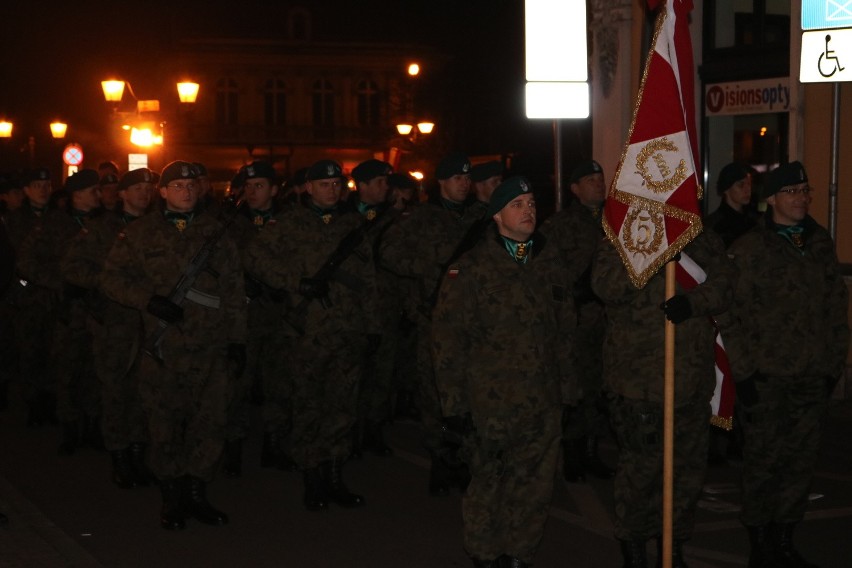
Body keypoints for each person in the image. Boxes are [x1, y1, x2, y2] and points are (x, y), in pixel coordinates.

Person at [432, 176, 576, 568]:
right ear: (496, 216)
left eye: (531, 202)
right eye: (517, 204)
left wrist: (569, 391)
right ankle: (484, 555)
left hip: (542, 401)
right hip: (490, 402)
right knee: (488, 485)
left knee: (534, 487)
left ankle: (519, 555)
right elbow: (447, 342)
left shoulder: (548, 262)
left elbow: (564, 331)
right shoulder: (471, 269)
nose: (528, 210)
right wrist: (455, 407)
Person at [101, 161, 247, 530]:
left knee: (209, 421)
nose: (185, 191)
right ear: (162, 192)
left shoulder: (217, 233)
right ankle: (172, 497)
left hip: (210, 348)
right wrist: (148, 300)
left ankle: (197, 492)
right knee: (163, 424)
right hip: (162, 348)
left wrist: (237, 340)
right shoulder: (139, 234)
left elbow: (233, 290)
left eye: (190, 185)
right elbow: (111, 279)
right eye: (176, 186)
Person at [725, 161, 849, 568]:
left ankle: (784, 540)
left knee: (800, 465)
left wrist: (834, 365)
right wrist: (744, 373)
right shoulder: (750, 248)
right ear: (772, 199)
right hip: (767, 378)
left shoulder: (818, 242)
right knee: (762, 465)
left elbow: (835, 308)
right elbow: (732, 315)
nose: (802, 199)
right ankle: (760, 544)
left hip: (811, 377)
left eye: (805, 191)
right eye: (792, 192)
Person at [592, 228, 736, 567]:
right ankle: (635, 549)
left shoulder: (700, 237)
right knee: (641, 474)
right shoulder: (620, 238)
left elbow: (728, 283)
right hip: (639, 383)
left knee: (686, 475)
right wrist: (651, 254)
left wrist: (693, 301)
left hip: (691, 382)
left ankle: (673, 550)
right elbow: (607, 287)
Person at [244, 159, 379, 511]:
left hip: (347, 330)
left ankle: (335, 474)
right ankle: (312, 476)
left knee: (343, 406)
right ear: (308, 188)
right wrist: (294, 282)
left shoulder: (353, 225)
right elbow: (255, 257)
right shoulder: (288, 223)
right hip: (306, 332)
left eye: (337, 184)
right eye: (324, 184)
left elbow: (368, 281)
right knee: (307, 405)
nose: (332, 189)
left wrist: (372, 325)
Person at [380, 151, 485, 496]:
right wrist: (427, 266)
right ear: (442, 181)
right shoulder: (421, 218)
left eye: (467, 179)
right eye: (457, 178)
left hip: (472, 319)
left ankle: (465, 457)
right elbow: (389, 253)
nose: (464, 184)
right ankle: (440, 457)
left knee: (471, 388)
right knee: (434, 391)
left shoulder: (480, 217)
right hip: (433, 318)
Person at [61, 168, 156, 487]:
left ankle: (139, 455)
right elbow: (73, 268)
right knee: (116, 391)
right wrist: (105, 284)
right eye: (137, 188)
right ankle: (119, 458)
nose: (144, 193)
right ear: (122, 195)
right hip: (113, 322)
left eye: (148, 188)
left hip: (151, 323)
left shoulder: (159, 228)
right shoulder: (101, 230)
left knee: (146, 392)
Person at [18, 169, 103, 455]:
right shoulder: (54, 224)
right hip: (65, 310)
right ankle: (70, 428)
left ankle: (93, 426)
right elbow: (26, 263)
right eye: (93, 191)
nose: (99, 196)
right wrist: (60, 284)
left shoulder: (105, 223)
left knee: (95, 369)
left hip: (99, 310)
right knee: (66, 368)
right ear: (77, 195)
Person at [540, 158, 614, 483]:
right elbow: (545, 272)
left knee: (600, 388)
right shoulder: (559, 226)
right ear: (574, 189)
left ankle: (591, 451)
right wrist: (572, 292)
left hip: (609, 322)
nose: (598, 183)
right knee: (576, 389)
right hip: (575, 321)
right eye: (590, 179)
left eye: (600, 178)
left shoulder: (617, 222)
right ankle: (572, 454)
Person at [704, 162, 757, 248]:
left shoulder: (754, 222)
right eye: (741, 185)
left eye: (749, 184)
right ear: (726, 189)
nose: (748, 189)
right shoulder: (713, 226)